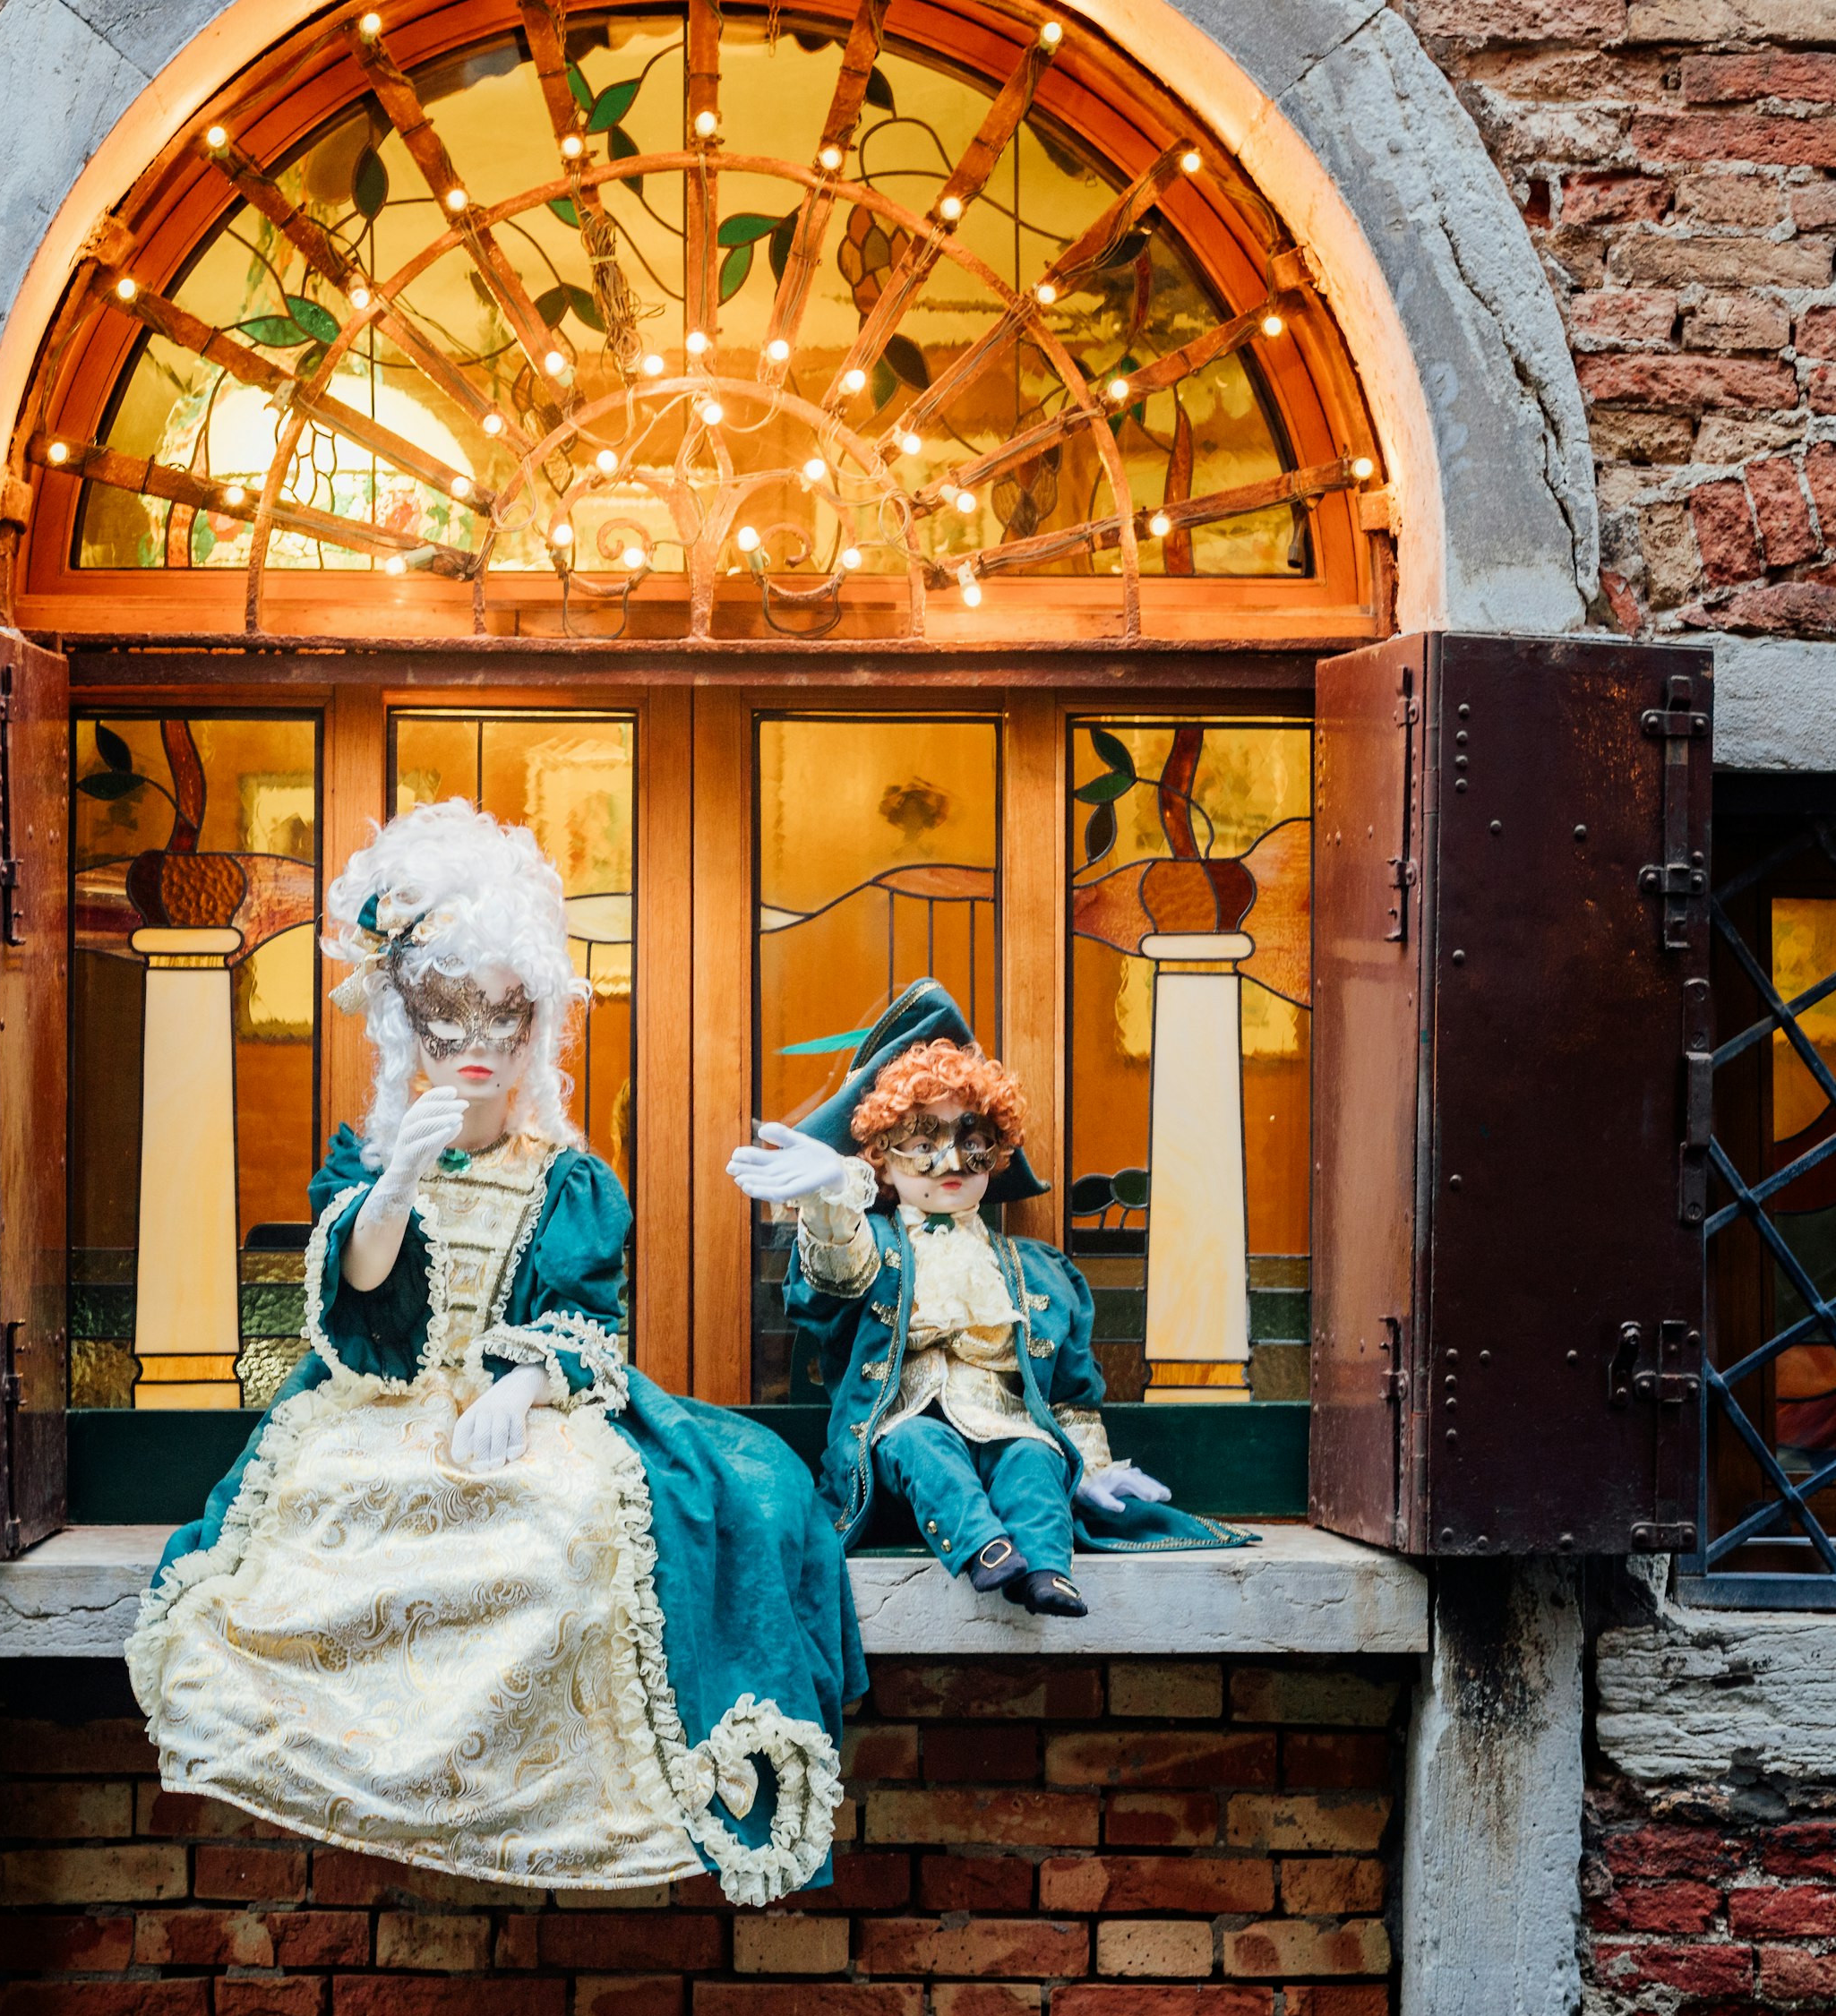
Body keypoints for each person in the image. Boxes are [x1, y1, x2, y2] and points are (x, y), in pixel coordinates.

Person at [128, 801, 865, 1903]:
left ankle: (538, 1795)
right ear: (409, 1033)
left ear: (532, 1035)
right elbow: (363, 1299)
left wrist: (525, 1385)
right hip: (379, 1403)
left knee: (570, 1525)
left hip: (524, 1407)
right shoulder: (362, 1163)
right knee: (325, 1517)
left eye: (498, 1027)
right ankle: (378, 1772)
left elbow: (583, 1313)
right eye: (447, 1028)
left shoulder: (569, 1180)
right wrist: (395, 1183)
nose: (473, 1053)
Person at [730, 978, 1238, 1617]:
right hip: (900, 1437)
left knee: (1035, 1457)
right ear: (882, 1160)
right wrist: (832, 1197)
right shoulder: (877, 1245)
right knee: (921, 1445)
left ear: (995, 1156)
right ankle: (984, 1549)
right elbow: (838, 1274)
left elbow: (1068, 1398)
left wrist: (1097, 1468)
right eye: (921, 1141)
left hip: (1006, 1425)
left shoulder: (1041, 1274)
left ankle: (1047, 1570)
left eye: (971, 1142)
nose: (949, 1161)